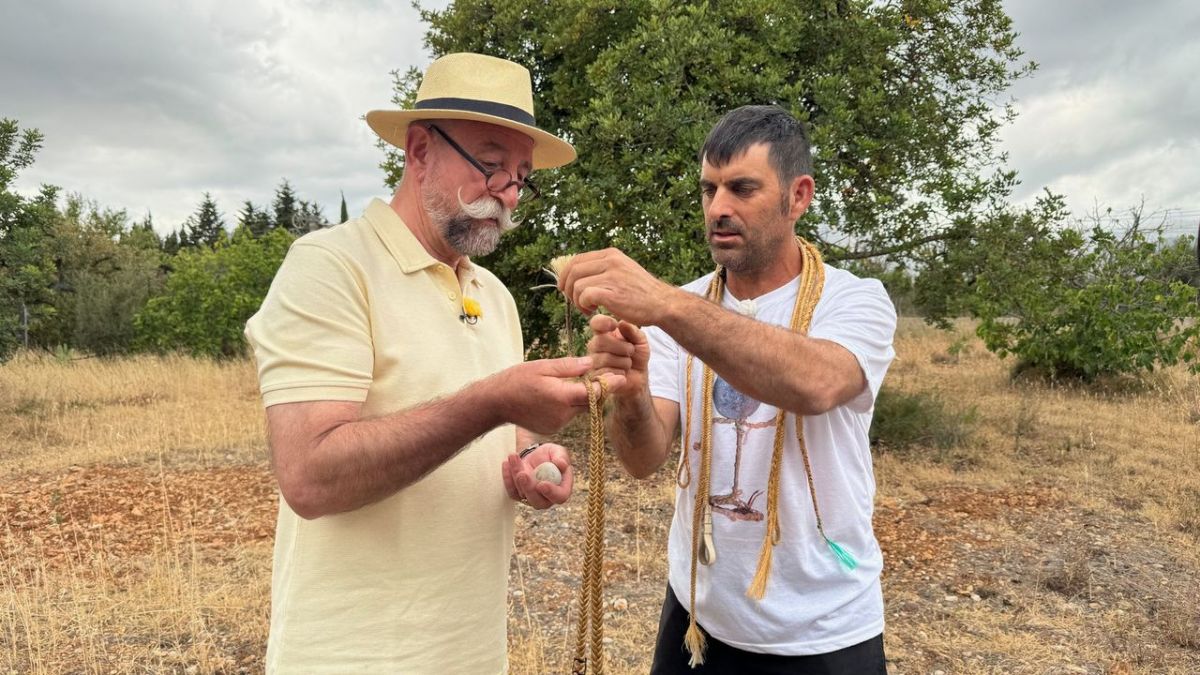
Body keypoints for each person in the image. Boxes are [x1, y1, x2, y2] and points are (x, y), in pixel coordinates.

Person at [244, 52, 618, 673]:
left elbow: (499, 434)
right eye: (491, 164)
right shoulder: (330, 267)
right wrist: (491, 400)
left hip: (473, 654)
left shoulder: (495, 297)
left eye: (520, 176)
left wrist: (530, 459)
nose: (506, 192)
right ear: (419, 150)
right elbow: (308, 476)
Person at [559, 105, 896, 673]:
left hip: (822, 633)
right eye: (709, 189)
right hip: (696, 619)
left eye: (742, 188)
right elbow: (642, 459)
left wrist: (665, 303)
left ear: (799, 196)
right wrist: (633, 394)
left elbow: (816, 382)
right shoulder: (681, 313)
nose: (718, 208)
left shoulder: (854, 300)